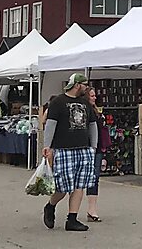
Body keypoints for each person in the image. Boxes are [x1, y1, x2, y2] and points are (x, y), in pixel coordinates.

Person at [41, 73, 97, 232]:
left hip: (83, 149)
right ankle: (50, 206)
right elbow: (50, 124)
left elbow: (92, 124)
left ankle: (72, 219)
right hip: (63, 150)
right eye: (85, 85)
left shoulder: (85, 104)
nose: (86, 88)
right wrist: (47, 146)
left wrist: (93, 146)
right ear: (77, 85)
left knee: (80, 185)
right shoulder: (58, 102)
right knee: (63, 187)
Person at [86, 88, 111, 222]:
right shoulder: (84, 111)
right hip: (86, 147)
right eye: (92, 96)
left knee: (94, 178)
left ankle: (92, 209)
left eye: (95, 95)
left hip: (98, 148)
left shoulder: (97, 110)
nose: (95, 98)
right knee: (82, 179)